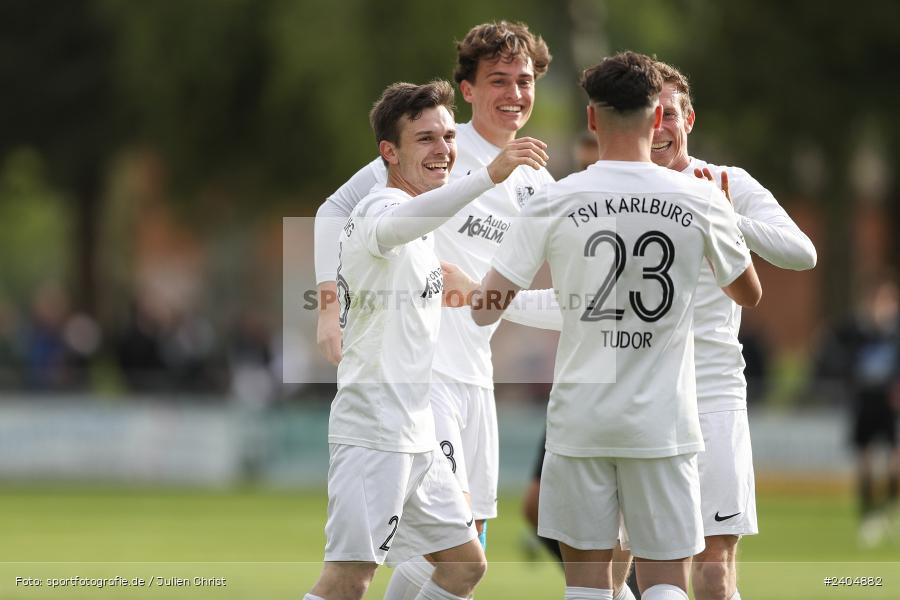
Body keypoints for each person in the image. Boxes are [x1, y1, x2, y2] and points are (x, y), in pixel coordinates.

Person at [454, 51, 762, 600]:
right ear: (656, 118)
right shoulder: (700, 197)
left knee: (590, 587)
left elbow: (486, 308)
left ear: (593, 120)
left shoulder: (553, 198)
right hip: (665, 423)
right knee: (666, 580)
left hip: (580, 424)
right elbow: (749, 292)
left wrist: (473, 285)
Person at [314, 21, 563, 598]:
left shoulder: (537, 181)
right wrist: (329, 303)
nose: (514, 93)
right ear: (468, 89)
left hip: (476, 373)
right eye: (497, 80)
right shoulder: (435, 148)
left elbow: (524, 296)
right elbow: (334, 211)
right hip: (420, 381)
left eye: (524, 81)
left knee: (462, 553)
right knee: (396, 562)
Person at [646, 60, 817, 600]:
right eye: (647, 115)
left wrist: (723, 214)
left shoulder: (726, 182)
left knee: (715, 566)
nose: (659, 127)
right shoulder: (615, 193)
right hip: (641, 392)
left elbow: (802, 253)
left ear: (688, 119)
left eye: (668, 114)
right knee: (638, 561)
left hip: (715, 389)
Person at [816, 275, 899, 547]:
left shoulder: (894, 333)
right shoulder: (855, 330)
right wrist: (848, 378)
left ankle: (887, 509)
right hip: (864, 403)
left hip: (890, 405)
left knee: (893, 465)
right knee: (864, 464)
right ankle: (868, 518)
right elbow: (832, 349)